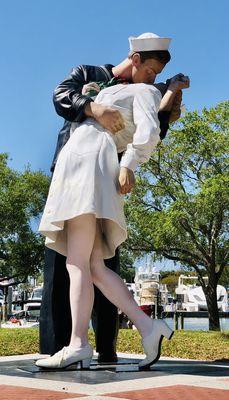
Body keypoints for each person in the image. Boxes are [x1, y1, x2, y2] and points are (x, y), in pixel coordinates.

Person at [36, 32, 190, 370]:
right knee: (92, 265)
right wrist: (94, 106)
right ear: (134, 60)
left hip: (88, 166)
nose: (153, 78)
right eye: (149, 70)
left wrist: (128, 165)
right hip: (79, 164)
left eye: (155, 74)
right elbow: (63, 97)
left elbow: (148, 134)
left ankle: (78, 344)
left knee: (77, 262)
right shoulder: (101, 80)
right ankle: (148, 327)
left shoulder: (147, 90)